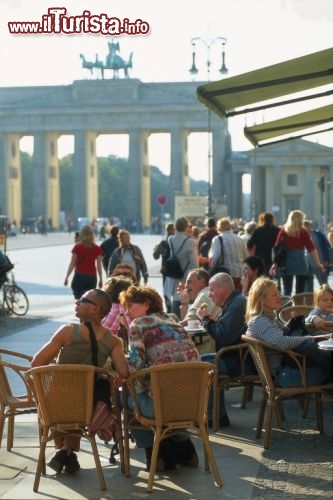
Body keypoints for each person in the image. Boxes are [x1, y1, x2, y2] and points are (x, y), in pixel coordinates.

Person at [31, 288, 129, 474]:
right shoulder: (114, 341)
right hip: (89, 405)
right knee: (82, 402)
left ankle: (64, 451)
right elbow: (123, 371)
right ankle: (68, 454)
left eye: (82, 300)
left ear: (95, 309)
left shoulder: (67, 331)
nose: (77, 302)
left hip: (55, 403)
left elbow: (37, 363)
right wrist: (111, 378)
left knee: (63, 400)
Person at [119, 285, 200, 472]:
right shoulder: (173, 321)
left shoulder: (138, 325)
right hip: (192, 404)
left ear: (146, 304)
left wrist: (118, 363)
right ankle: (186, 448)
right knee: (156, 391)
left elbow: (134, 367)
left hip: (161, 407)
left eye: (131, 305)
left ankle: (156, 454)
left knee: (123, 395)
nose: (127, 311)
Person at [245, 276, 332, 387]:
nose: (279, 297)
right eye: (274, 294)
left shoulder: (269, 318)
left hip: (289, 368)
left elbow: (285, 334)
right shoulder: (259, 320)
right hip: (283, 375)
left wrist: (322, 336)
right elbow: (281, 341)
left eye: (278, 293)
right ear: (261, 299)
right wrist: (311, 338)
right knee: (328, 369)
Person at [197, 273, 248, 427]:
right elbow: (226, 331)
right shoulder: (235, 302)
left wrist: (205, 320)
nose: (210, 295)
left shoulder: (237, 304)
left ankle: (214, 417)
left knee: (199, 365)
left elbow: (224, 336)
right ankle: (218, 416)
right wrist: (214, 321)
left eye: (212, 290)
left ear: (224, 290)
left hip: (240, 362)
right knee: (202, 360)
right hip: (236, 357)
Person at [270, 210, 324, 296]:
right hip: (300, 262)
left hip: (286, 263)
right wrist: (318, 263)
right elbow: (311, 249)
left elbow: (277, 248)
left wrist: (275, 263)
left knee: (287, 289)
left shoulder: (283, 231)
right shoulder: (303, 232)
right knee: (300, 290)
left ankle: (287, 307)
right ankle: (299, 308)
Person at [177, 268, 221, 354]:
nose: (186, 286)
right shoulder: (205, 295)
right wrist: (184, 301)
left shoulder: (204, 296)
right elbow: (188, 322)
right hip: (207, 348)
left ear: (202, 282)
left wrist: (167, 329)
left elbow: (188, 322)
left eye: (189, 282)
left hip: (204, 352)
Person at [163, 217, 199, 317]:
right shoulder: (190, 241)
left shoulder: (170, 239)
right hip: (185, 274)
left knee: (175, 297)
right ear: (186, 226)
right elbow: (194, 262)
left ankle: (174, 320)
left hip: (173, 273)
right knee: (183, 298)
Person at [64, 225, 103, 299]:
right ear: (92, 235)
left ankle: (80, 308)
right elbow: (99, 266)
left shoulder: (77, 247)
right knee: (88, 299)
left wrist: (67, 277)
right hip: (91, 277)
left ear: (81, 235)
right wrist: (101, 279)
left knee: (79, 298)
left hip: (79, 276)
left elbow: (72, 264)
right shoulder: (97, 249)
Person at [209, 217, 248, 290]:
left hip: (226, 274)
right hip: (240, 273)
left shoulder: (218, 239)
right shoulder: (240, 239)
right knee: (239, 295)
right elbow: (246, 256)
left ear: (219, 227)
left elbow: (215, 257)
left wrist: (212, 269)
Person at [152, 222, 175, 312]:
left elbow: (155, 256)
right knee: (175, 290)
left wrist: (158, 248)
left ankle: (169, 309)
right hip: (176, 270)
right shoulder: (176, 241)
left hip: (165, 270)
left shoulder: (163, 242)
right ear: (172, 230)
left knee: (166, 291)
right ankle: (174, 308)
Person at [303, 220, 330, 291]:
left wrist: (326, 259)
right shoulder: (302, 236)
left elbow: (326, 247)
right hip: (308, 264)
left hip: (320, 262)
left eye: (306, 226)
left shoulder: (318, 234)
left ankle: (328, 298)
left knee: (323, 283)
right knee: (308, 284)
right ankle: (310, 300)